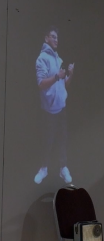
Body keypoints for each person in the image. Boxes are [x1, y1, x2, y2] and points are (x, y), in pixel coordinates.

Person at [34, 26, 74, 184]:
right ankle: (43, 169)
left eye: (57, 37)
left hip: (61, 109)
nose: (56, 40)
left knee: (62, 140)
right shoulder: (42, 59)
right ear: (46, 39)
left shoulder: (58, 59)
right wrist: (58, 76)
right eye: (53, 36)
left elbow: (64, 85)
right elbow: (41, 84)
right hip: (49, 111)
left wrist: (70, 75)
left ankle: (62, 168)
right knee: (47, 141)